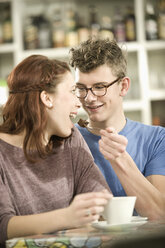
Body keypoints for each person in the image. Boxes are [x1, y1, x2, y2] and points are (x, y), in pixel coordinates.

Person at [0, 55, 112, 247]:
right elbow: (3, 227)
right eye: (72, 91)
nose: (79, 103)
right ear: (47, 98)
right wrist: (67, 217)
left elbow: (101, 202)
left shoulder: (71, 140)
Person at [69, 38, 165, 220]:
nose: (88, 98)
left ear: (124, 86)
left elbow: (160, 215)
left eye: (99, 87)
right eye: (81, 88)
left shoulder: (158, 139)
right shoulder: (66, 139)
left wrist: (120, 159)